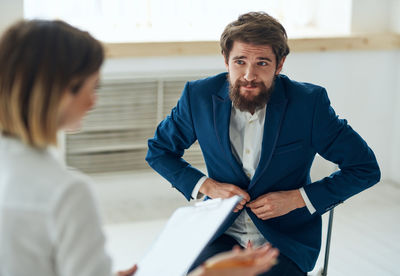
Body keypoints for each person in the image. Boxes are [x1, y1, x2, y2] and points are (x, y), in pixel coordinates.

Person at [0, 20, 279, 276]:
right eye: (92, 86)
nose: (93, 101)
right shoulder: (66, 192)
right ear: (60, 90)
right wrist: (207, 274)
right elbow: (160, 150)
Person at [146, 11, 381, 276]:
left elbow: (364, 168)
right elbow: (159, 151)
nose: (249, 75)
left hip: (287, 240)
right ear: (226, 60)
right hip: (219, 233)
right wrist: (207, 186)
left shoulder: (309, 104)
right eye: (240, 61)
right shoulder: (197, 97)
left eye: (262, 63)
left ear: (279, 65)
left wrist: (298, 198)